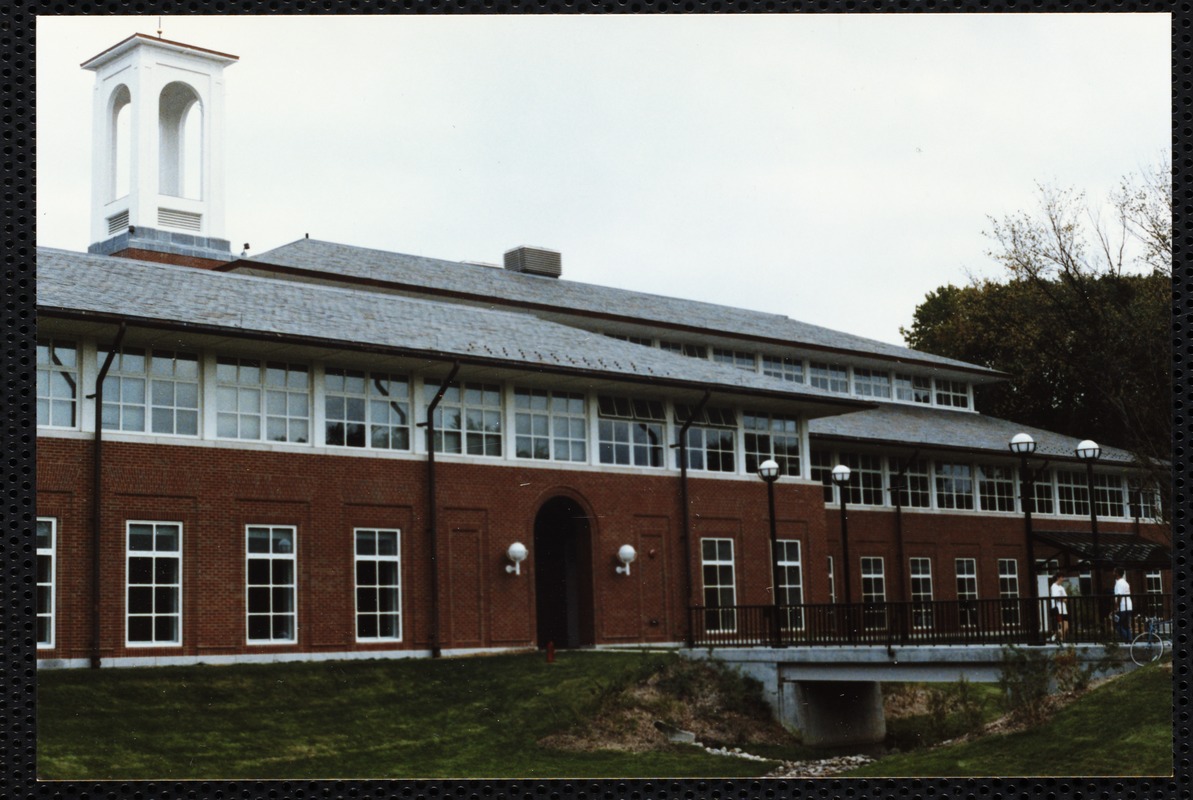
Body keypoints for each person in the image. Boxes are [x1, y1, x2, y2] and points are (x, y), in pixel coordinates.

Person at [1113, 567, 1133, 643]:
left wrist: (1116, 607)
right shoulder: (1125, 582)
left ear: (1117, 573)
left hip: (1123, 607)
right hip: (1128, 606)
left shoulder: (1119, 583)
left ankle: (1127, 638)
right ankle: (1130, 640)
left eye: (1114, 572)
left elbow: (1119, 596)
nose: (1113, 573)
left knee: (1117, 624)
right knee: (1126, 625)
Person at [1050, 573, 1069, 643]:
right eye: (1062, 577)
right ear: (1058, 578)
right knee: (1060, 626)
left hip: (1064, 609)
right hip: (1057, 609)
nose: (1063, 579)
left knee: (1066, 626)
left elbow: (1066, 599)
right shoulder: (1054, 586)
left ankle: (1055, 636)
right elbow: (1057, 598)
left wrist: (1062, 599)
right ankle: (1061, 640)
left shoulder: (1062, 587)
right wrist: (1062, 599)